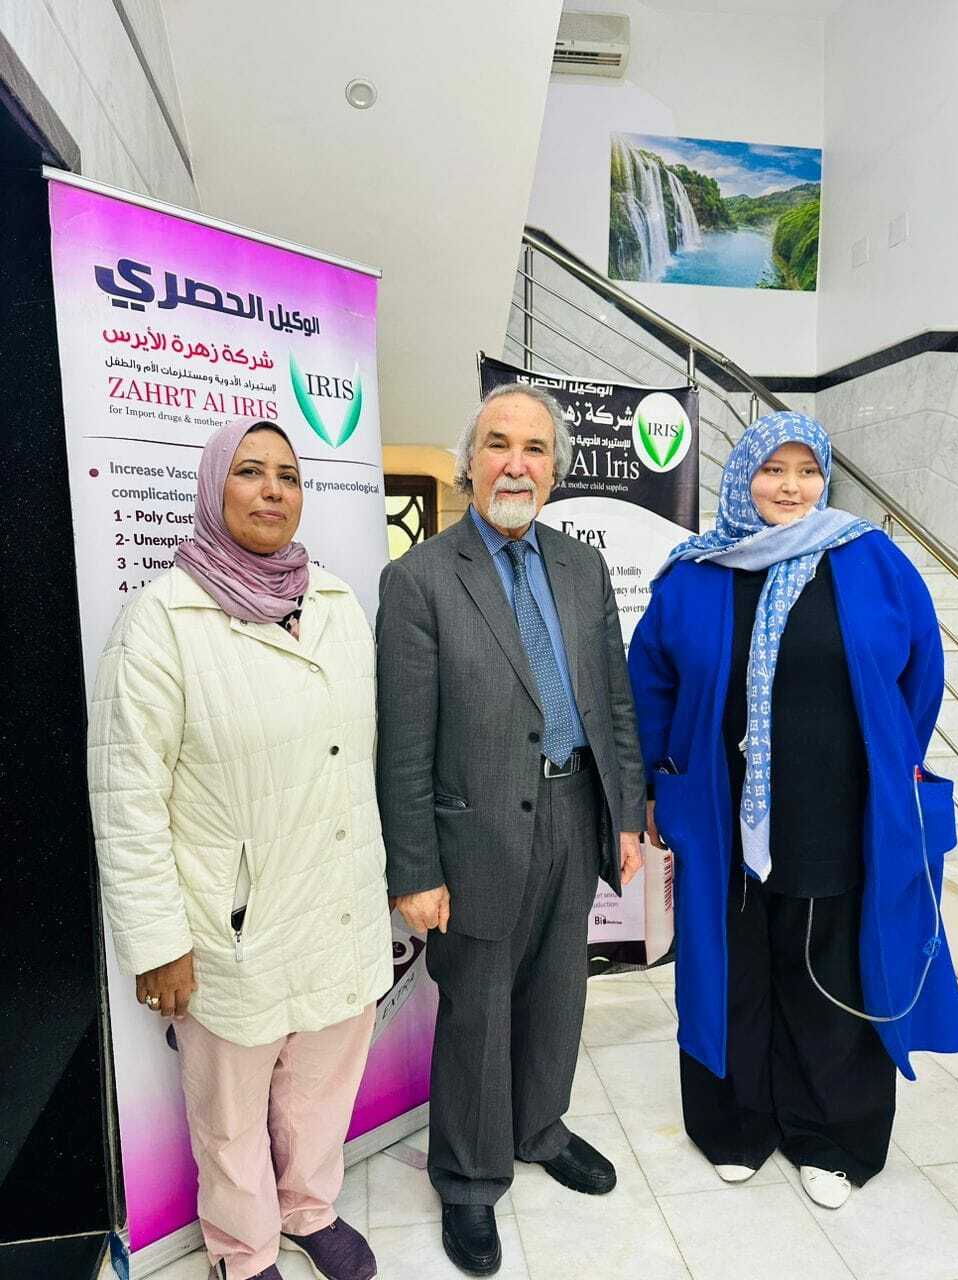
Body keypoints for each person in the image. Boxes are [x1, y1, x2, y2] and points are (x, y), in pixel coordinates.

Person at [629, 411, 958, 1210]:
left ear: (825, 478)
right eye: (771, 469)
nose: (790, 486)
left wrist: (888, 763)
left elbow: (918, 675)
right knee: (732, 969)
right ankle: (736, 1125)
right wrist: (656, 782)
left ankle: (831, 1137)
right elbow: (651, 684)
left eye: (807, 470)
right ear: (742, 475)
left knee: (830, 974)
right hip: (720, 817)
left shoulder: (870, 559)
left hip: (838, 815)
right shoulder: (695, 573)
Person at [88, 419, 393, 1280]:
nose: (272, 490)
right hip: (234, 923)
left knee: (321, 1084)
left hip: (335, 903)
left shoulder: (335, 604)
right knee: (228, 1108)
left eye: (287, 476)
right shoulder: (162, 621)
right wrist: (158, 942)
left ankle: (308, 1207)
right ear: (213, 488)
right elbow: (126, 797)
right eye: (250, 472)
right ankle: (243, 1247)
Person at [375, 383, 645, 1275]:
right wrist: (415, 869)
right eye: (498, 444)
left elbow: (613, 702)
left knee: (561, 988)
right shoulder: (419, 579)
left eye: (535, 449)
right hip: (474, 831)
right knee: (479, 1008)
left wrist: (626, 816)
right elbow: (403, 743)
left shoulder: (583, 568)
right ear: (470, 462)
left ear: (555, 469)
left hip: (575, 811)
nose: (516, 465)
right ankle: (467, 1175)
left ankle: (540, 1127)